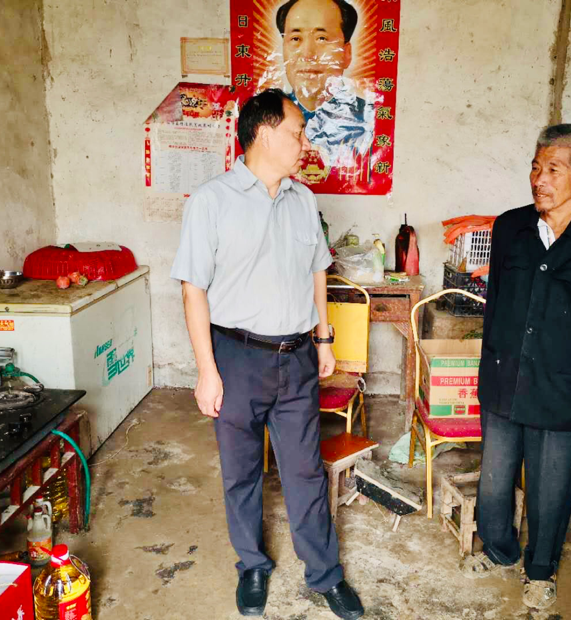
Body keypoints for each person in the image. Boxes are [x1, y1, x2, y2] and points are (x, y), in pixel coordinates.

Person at [170, 88, 364, 620]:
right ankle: (252, 565)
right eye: (296, 132)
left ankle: (325, 574)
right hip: (236, 358)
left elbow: (317, 271)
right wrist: (207, 371)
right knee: (241, 471)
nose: (304, 143)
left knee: (305, 471)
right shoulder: (212, 201)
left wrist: (323, 338)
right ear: (262, 133)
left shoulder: (303, 200)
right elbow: (192, 290)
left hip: (296, 357)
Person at [470, 124, 571, 610]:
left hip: (563, 386)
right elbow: (495, 303)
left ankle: (540, 569)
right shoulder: (509, 227)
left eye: (554, 169)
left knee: (551, 486)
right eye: (536, 167)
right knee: (495, 478)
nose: (539, 179)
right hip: (504, 376)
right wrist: (489, 365)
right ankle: (497, 548)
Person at [276, 0, 374, 166]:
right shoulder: (266, 118)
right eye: (295, 38)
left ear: (346, 53)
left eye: (322, 38)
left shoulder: (370, 120)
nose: (307, 54)